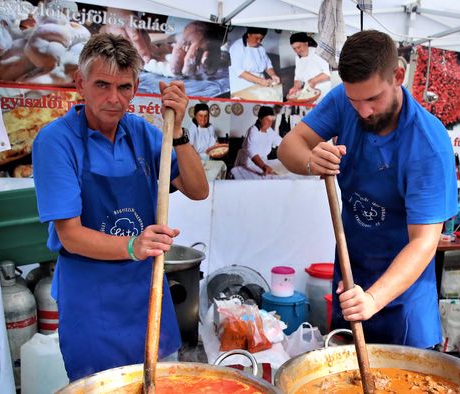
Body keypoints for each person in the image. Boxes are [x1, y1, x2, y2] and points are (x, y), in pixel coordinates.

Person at [32, 33, 208, 380]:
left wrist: (180, 132)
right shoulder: (55, 142)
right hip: (92, 302)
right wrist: (133, 244)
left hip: (146, 293)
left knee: (159, 383)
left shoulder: (142, 133)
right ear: (80, 83)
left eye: (124, 88)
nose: (114, 99)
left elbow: (197, 189)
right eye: (102, 85)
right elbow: (70, 236)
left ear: (136, 86)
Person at [277, 30, 457, 348]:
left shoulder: (428, 144)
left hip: (403, 301)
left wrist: (373, 299)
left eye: (374, 99)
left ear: (398, 76)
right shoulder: (344, 101)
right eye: (354, 100)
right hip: (350, 275)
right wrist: (310, 160)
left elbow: (424, 243)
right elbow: (289, 146)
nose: (363, 111)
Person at [228, 27, 282, 100]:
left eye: (261, 39)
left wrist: (273, 75)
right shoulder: (237, 47)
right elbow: (240, 71)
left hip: (260, 86)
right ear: (249, 35)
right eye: (257, 38)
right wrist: (260, 81)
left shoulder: (261, 48)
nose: (259, 41)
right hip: (242, 88)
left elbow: (268, 65)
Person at [233, 106, 282, 177]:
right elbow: (251, 150)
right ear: (260, 118)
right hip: (248, 162)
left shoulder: (270, 131)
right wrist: (263, 166)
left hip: (263, 162)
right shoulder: (253, 130)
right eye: (267, 120)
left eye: (271, 121)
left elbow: (281, 141)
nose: (270, 124)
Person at [287, 32, 331, 102]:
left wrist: (313, 81)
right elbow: (298, 78)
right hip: (308, 94)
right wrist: (296, 87)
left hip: (324, 93)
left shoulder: (318, 53)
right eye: (294, 48)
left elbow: (327, 74)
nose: (297, 51)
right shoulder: (297, 58)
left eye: (299, 47)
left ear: (306, 43)